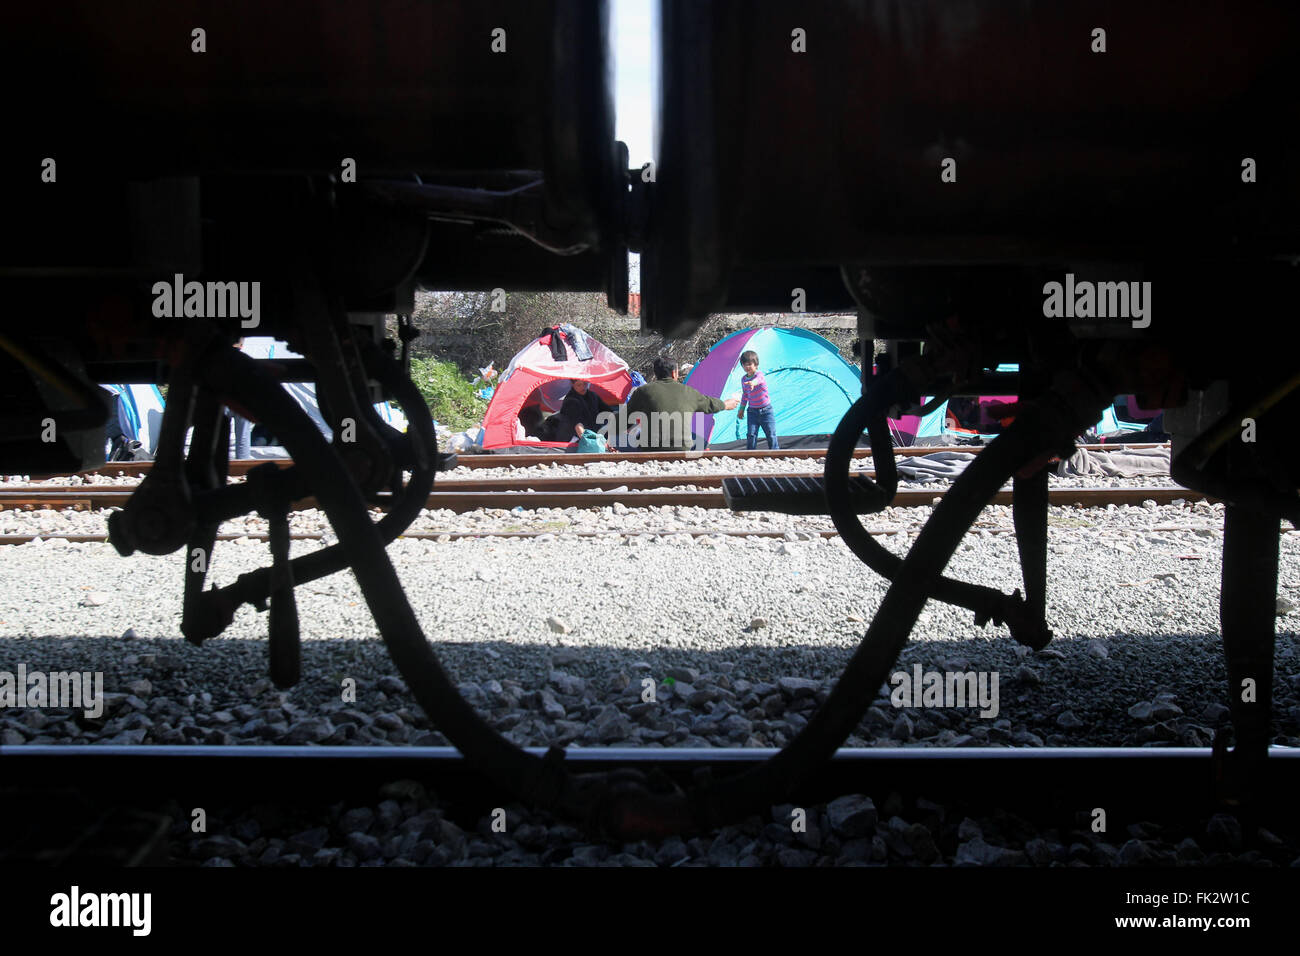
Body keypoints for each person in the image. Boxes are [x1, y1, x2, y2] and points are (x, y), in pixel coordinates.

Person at [624, 358, 738, 452]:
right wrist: (725, 404)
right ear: (674, 373)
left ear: (656, 373)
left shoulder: (643, 391)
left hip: (650, 447)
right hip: (680, 448)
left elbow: (623, 420)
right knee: (701, 442)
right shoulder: (688, 391)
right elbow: (710, 404)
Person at [737, 349, 779, 450]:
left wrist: (753, 383)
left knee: (771, 433)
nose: (747, 367)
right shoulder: (743, 379)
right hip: (752, 412)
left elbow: (758, 380)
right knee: (751, 434)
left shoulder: (759, 375)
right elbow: (745, 395)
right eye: (744, 365)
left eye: (749, 364)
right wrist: (741, 409)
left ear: (755, 365)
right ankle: (750, 454)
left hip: (766, 411)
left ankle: (775, 453)